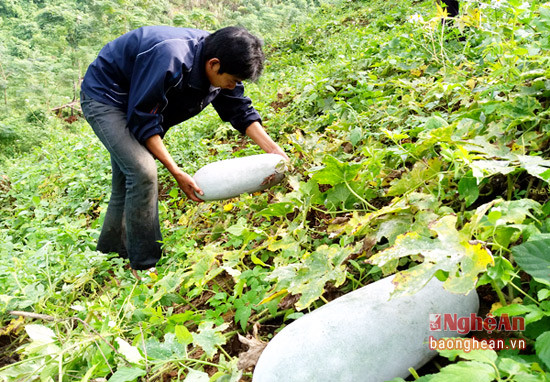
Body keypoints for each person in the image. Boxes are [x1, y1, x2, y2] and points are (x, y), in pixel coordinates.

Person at [80, 26, 288, 273]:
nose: (233, 86)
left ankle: (111, 252)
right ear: (213, 65)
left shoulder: (222, 59)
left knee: (128, 177)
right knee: (143, 172)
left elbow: (239, 110)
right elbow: (143, 117)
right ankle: (145, 265)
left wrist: (274, 151)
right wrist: (176, 171)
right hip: (108, 97)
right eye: (232, 80)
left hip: (140, 98)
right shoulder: (170, 58)